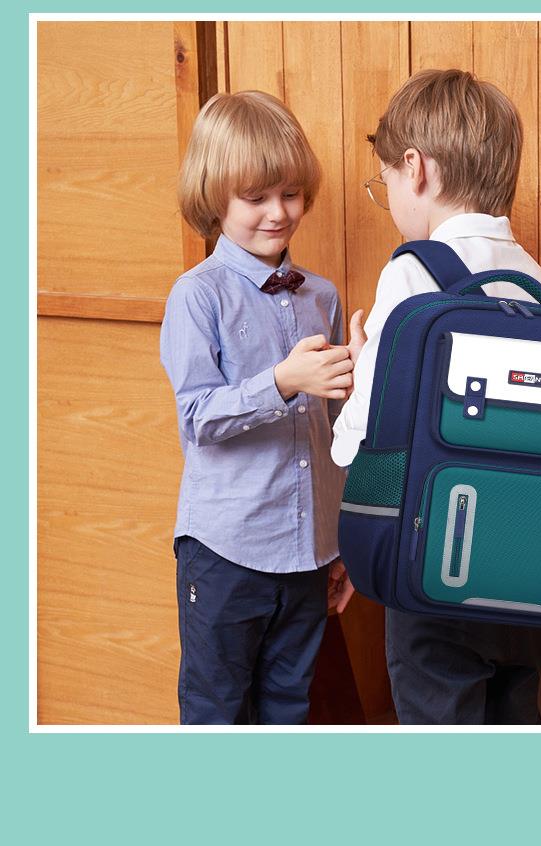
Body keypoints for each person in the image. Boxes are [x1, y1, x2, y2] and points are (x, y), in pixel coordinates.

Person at [332, 69, 541, 725]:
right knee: (513, 719)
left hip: (439, 560)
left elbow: (366, 428)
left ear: (416, 169)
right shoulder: (536, 280)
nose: (388, 197)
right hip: (526, 566)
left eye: (384, 183)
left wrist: (361, 367)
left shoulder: (416, 270)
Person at [161, 90, 361, 725]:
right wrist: (282, 381)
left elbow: (333, 434)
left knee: (289, 712)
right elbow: (198, 417)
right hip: (226, 551)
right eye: (256, 197)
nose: (279, 213)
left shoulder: (322, 297)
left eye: (291, 194)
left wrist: (340, 542)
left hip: (307, 554)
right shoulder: (196, 296)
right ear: (215, 196)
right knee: (216, 713)